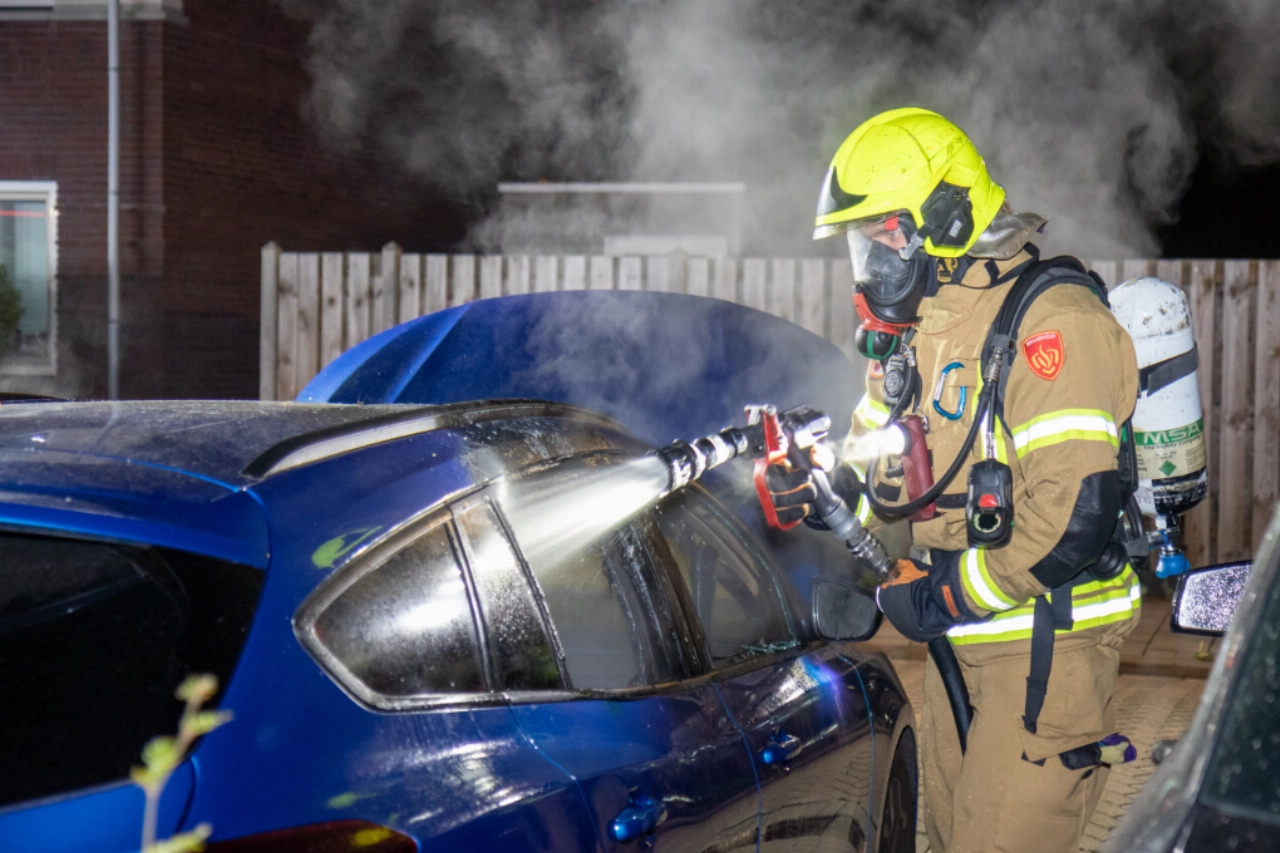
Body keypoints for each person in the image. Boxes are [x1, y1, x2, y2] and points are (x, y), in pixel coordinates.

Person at [770, 107, 1142, 853]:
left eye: (885, 237)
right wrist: (827, 493)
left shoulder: (1053, 324)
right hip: (960, 641)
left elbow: (1071, 519)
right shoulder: (915, 337)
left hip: (1046, 645)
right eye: (862, 244)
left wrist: (945, 593)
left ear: (946, 219)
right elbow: (881, 473)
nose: (872, 264)